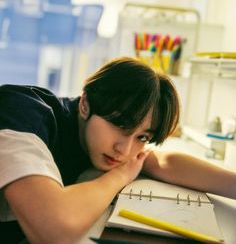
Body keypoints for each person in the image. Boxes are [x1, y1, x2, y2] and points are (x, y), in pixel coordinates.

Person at [0, 57, 235, 244]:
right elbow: (54, 229)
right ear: (84, 104)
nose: (124, 149)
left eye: (142, 137)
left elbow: (161, 162)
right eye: (121, 125)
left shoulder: (94, 138)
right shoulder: (21, 112)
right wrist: (119, 176)